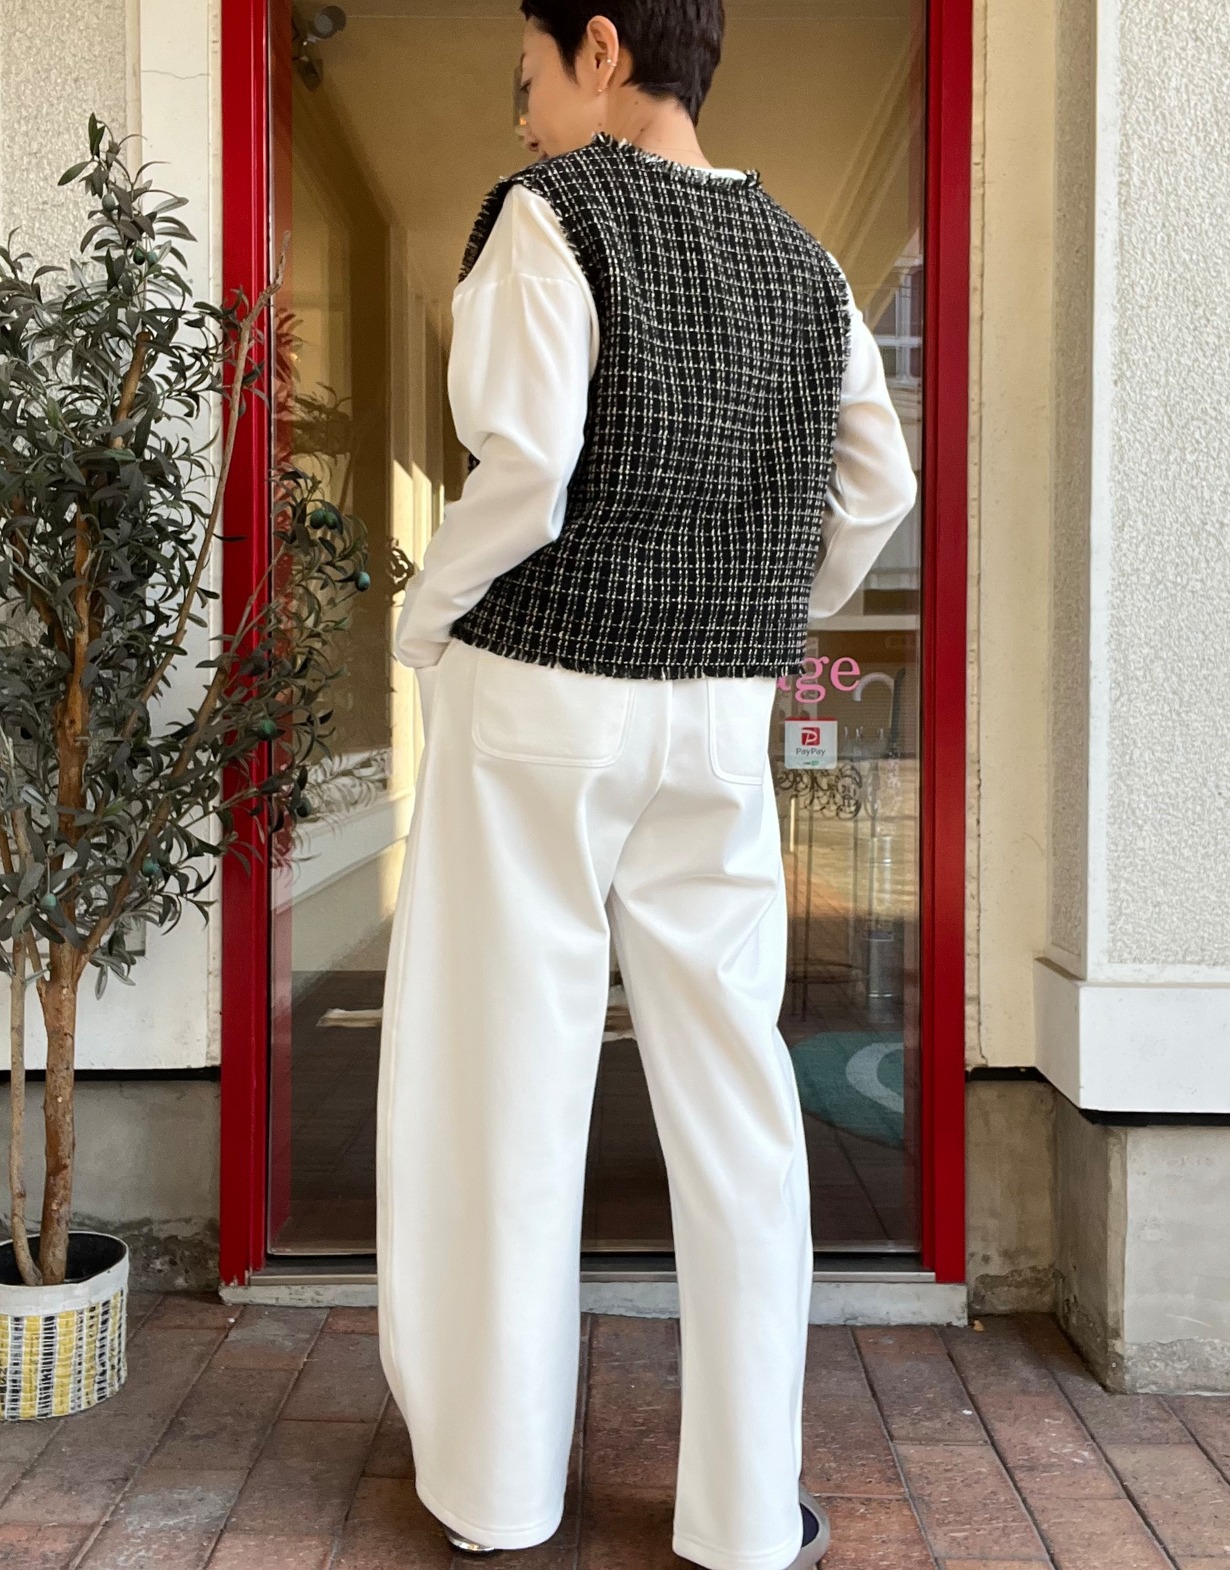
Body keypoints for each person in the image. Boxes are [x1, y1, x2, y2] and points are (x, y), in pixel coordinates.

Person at [376, 3, 918, 1567]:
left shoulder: (550, 216)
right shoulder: (811, 267)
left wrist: (424, 618)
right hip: (716, 719)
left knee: (509, 1078)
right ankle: (744, 1513)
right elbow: (876, 484)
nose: (524, 114)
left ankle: (497, 1489)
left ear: (601, 48)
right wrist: (763, 602)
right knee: (737, 1094)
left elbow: (526, 468)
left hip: (540, 697)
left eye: (531, 77)